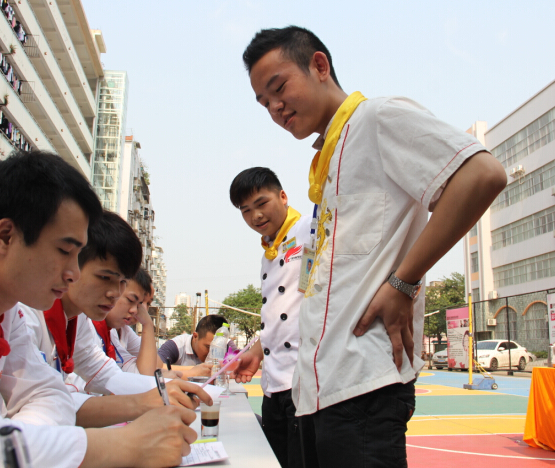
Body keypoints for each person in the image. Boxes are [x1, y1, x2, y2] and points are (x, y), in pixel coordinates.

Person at [243, 26, 507, 467]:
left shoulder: (376, 119)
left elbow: (482, 175)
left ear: (319, 65)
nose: (275, 108)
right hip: (318, 389)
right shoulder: (329, 160)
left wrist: (403, 281)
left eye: (279, 87)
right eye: (264, 102)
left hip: (364, 385)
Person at [0, 150, 205, 468]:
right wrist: (121, 445)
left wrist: (22, 448)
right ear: (5, 236)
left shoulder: (6, 310)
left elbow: (50, 395)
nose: (73, 273)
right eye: (64, 251)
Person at [22, 211, 206, 428]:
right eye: (105, 277)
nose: (114, 293)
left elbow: (104, 373)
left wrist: (161, 392)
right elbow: (38, 404)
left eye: (122, 282)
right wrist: (146, 403)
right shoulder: (25, 314)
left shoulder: (78, 320)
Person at [230, 167, 317, 468]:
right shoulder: (268, 251)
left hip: (303, 380)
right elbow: (283, 311)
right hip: (272, 385)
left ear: (283, 196)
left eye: (262, 203)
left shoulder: (310, 229)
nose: (255, 216)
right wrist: (257, 351)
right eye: (245, 210)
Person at [103, 268, 159, 375]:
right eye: (131, 300)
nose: (138, 310)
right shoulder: (88, 324)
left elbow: (147, 371)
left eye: (145, 304)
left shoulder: (118, 331)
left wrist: (148, 324)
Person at [158, 314, 231, 378]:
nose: (212, 353)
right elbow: (156, 368)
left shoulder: (225, 347)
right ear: (195, 337)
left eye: (217, 348)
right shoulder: (176, 346)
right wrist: (193, 372)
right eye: (208, 347)